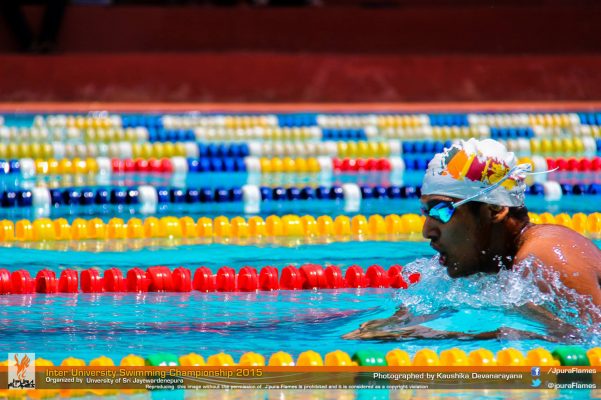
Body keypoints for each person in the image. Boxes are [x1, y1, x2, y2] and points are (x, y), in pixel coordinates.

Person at [345, 138, 601, 341]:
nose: (427, 230)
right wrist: (397, 322)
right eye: (426, 212)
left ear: (494, 210)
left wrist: (440, 336)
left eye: (442, 211)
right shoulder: (491, 260)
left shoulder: (544, 257)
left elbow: (588, 344)